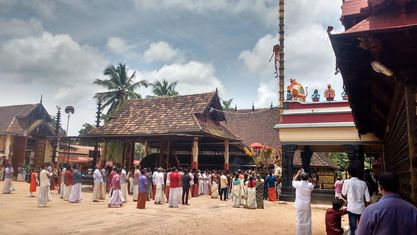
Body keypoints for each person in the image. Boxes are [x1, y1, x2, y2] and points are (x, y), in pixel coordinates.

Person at [341, 167, 370, 235]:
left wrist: (347, 199)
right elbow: (367, 199)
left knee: (353, 228)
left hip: (352, 208)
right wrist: (366, 207)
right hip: (362, 209)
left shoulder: (347, 182)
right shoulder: (363, 183)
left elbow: (343, 194)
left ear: (348, 173)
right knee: (361, 227)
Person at [292, 169, 314, 235]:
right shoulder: (310, 185)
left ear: (300, 177)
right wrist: (309, 179)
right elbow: (312, 184)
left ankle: (299, 233)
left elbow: (293, 181)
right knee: (307, 219)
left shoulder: (298, 184)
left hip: (299, 205)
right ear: (308, 178)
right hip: (307, 205)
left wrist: (297, 174)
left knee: (299, 219)